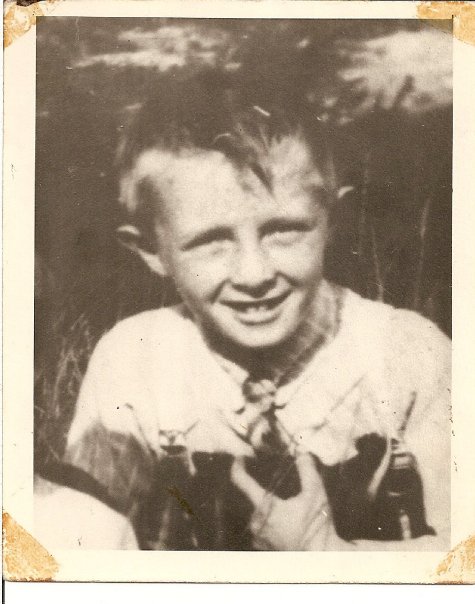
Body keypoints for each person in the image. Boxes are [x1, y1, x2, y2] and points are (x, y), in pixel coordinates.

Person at [35, 71, 451, 551]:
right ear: (150, 250)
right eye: (211, 242)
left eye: (284, 230)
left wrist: (326, 554)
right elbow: (90, 540)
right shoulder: (134, 361)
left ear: (333, 221)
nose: (254, 275)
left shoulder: (407, 356)